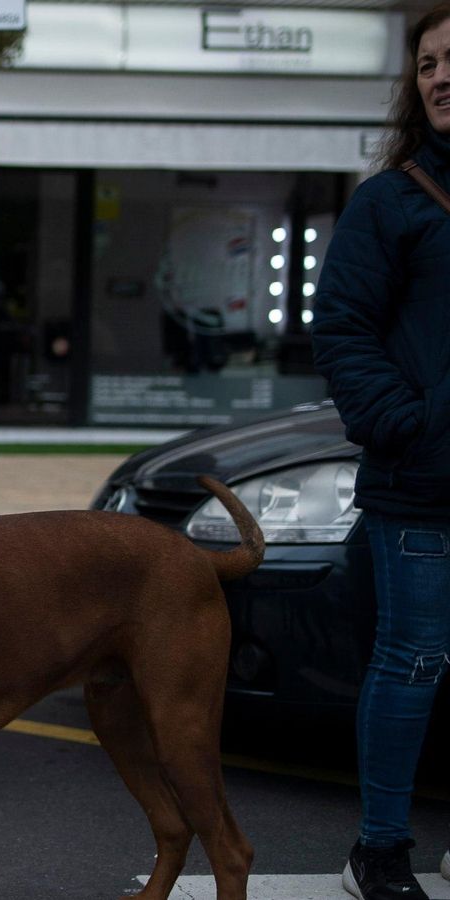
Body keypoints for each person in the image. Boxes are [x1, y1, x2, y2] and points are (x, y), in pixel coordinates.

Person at [312, 7, 450, 899]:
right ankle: (381, 850)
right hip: (420, 488)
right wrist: (410, 423)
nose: (441, 76)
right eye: (428, 63)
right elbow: (341, 330)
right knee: (413, 661)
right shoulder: (390, 202)